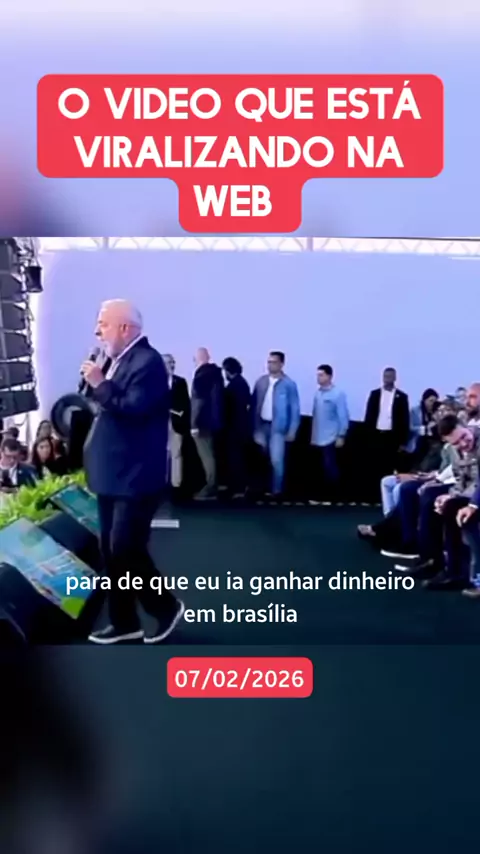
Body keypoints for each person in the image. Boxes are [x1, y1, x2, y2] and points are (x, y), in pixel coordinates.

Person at [81, 299, 184, 645]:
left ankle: (165, 607)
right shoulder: (118, 359)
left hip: (135, 476)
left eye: (103, 324)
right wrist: (96, 380)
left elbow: (133, 408)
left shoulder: (148, 363)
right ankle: (124, 622)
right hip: (113, 474)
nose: (97, 331)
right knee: (111, 552)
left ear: (125, 328)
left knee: (126, 548)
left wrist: (100, 382)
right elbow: (105, 403)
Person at [252, 351, 301, 498]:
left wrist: (292, 430)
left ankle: (276, 491)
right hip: (261, 425)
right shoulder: (261, 382)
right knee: (260, 459)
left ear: (281, 364)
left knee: (277, 460)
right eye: (269, 362)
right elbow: (254, 404)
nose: (270, 365)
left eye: (273, 362)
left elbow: (294, 409)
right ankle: (260, 489)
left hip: (278, 428)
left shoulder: (289, 384)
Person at [364, 368, 410, 486]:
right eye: (385, 376)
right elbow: (369, 416)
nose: (387, 379)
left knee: (389, 466)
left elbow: (405, 420)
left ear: (395, 378)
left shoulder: (402, 397)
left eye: (390, 376)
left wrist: (403, 442)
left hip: (392, 437)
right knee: (374, 466)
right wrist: (367, 435)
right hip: (376, 435)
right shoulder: (375, 394)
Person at [310, 364, 349, 502]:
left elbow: (343, 416)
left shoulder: (338, 394)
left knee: (330, 467)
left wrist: (341, 435)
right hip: (317, 436)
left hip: (331, 437)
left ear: (329, 376)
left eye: (321, 375)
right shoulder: (317, 393)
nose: (318, 378)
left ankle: (333, 497)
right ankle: (320, 497)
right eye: (317, 375)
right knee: (319, 468)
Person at [190, 347, 224, 499]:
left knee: (206, 455)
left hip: (202, 422)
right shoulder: (216, 374)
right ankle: (212, 484)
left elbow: (198, 401)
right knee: (210, 454)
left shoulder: (201, 376)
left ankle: (211, 486)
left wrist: (194, 424)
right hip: (213, 421)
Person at [222, 357, 251, 497]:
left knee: (235, 459)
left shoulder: (233, 386)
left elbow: (229, 407)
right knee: (238, 458)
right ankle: (239, 487)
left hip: (234, 428)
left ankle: (237, 488)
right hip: (241, 426)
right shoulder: (242, 383)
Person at [162, 354, 190, 493]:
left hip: (176, 423)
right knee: (160, 454)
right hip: (159, 423)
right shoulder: (153, 382)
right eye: (169, 362)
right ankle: (160, 483)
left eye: (173, 362)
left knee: (176, 453)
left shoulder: (180, 382)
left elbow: (185, 403)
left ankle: (176, 485)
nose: (172, 365)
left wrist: (179, 413)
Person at [408, 388, 439, 459]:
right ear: (424, 400)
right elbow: (410, 428)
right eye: (431, 401)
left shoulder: (435, 412)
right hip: (416, 444)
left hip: (430, 445)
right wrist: (425, 428)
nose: (432, 404)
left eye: (435, 401)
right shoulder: (415, 410)